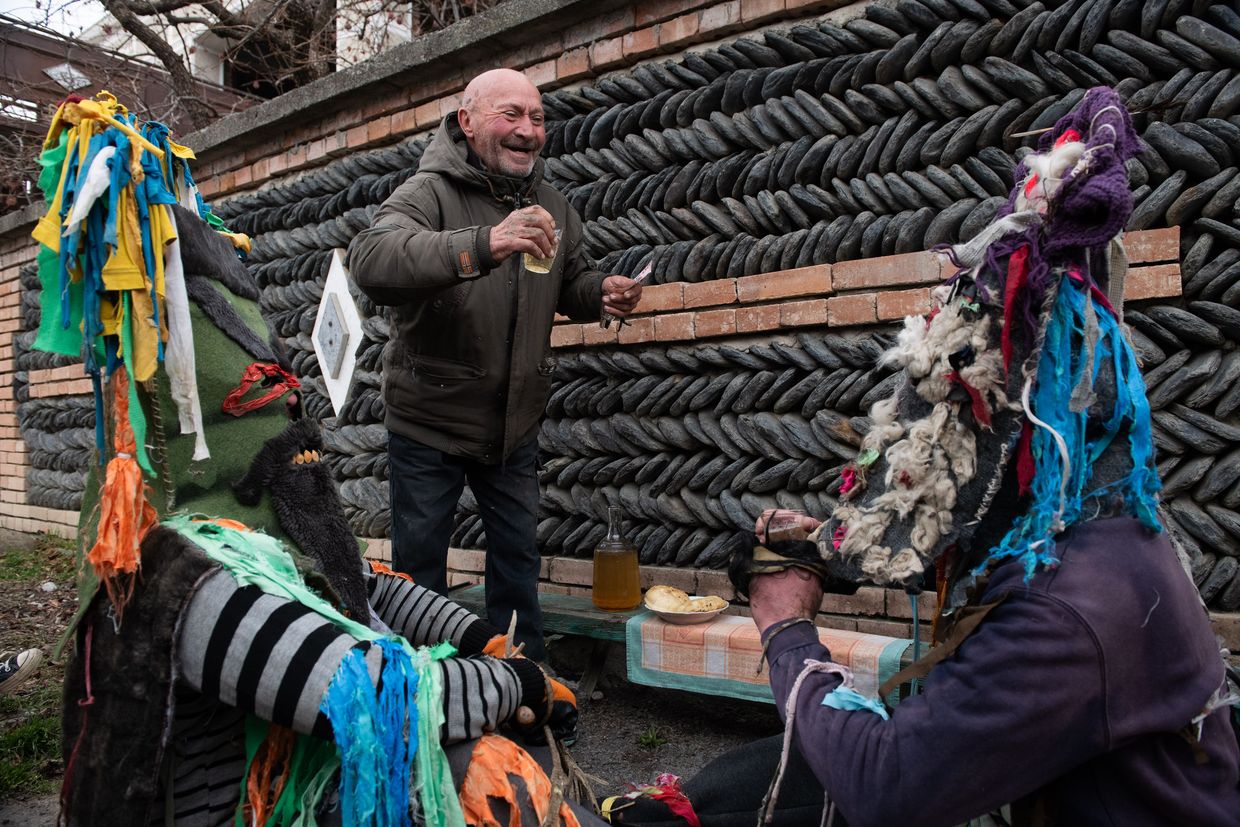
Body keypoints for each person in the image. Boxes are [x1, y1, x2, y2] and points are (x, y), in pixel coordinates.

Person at [613, 88, 1240, 827]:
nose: (933, 457)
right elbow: (964, 528)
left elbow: (886, 790)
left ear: (1012, 441)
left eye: (948, 434)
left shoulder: (1063, 611)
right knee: (749, 784)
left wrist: (785, 630)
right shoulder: (1088, 529)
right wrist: (833, 545)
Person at [23, 94, 595, 825]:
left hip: (504, 432)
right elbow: (368, 693)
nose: (291, 401)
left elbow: (360, 583)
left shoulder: (257, 534)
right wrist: (515, 686)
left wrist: (481, 639)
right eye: (259, 390)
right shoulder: (176, 571)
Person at [348, 68, 643, 661]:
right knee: (419, 572)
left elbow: (570, 279)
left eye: (536, 117)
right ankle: (426, 686)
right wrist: (485, 243)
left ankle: (525, 679)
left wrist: (600, 293)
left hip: (513, 425)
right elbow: (372, 261)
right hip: (429, 422)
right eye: (510, 114)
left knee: (517, 564)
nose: (527, 129)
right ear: (467, 121)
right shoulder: (428, 192)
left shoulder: (552, 204)